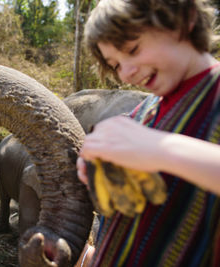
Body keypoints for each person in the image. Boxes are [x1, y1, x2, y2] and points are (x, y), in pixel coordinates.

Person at [75, 0, 220, 266]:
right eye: (115, 65)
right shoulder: (143, 113)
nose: (126, 74)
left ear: (183, 19)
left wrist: (160, 149)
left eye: (133, 49)